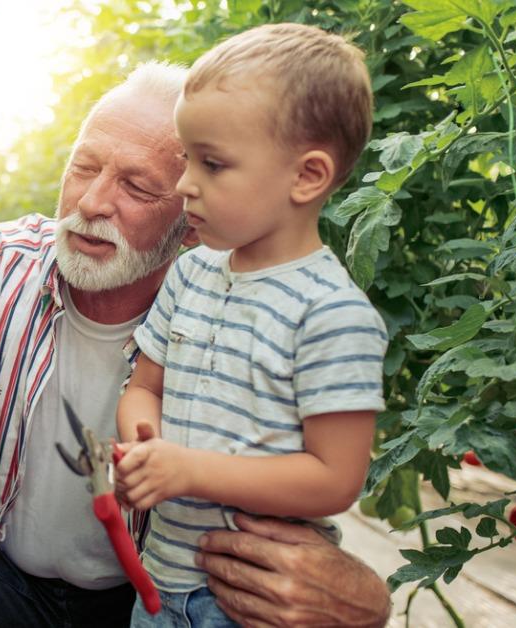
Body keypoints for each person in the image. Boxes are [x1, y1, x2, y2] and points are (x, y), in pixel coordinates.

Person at [0, 59, 392, 627]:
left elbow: (295, 476)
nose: (91, 203)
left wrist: (360, 594)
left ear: (189, 215)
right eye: (85, 167)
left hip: (145, 602)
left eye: (137, 185)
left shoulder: (228, 312)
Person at [113, 24, 387, 628]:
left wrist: (187, 470)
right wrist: (143, 440)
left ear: (307, 176)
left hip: (249, 602)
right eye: (188, 158)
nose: (185, 182)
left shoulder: (332, 315)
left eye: (212, 163)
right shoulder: (190, 276)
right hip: (159, 577)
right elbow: (144, 387)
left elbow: (334, 479)